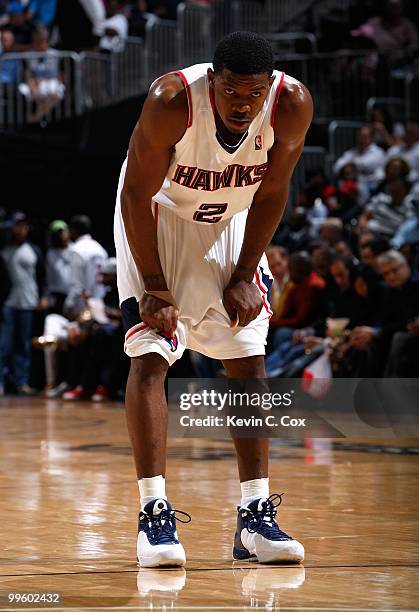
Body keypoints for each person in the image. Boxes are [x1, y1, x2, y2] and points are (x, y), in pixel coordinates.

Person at [114, 31, 312, 567]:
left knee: (247, 357)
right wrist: (154, 285)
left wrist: (246, 272)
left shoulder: (290, 103)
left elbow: (273, 191)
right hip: (159, 214)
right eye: (231, 92)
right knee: (152, 351)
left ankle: (254, 518)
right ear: (212, 82)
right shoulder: (172, 100)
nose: (242, 104)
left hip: (231, 217)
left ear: (269, 86)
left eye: (252, 94)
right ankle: (153, 514)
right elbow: (135, 192)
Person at [0, 212, 46, 396]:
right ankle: (2, 382)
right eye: (17, 226)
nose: (21, 229)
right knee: (4, 345)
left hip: (28, 303)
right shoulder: (4, 250)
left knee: (23, 346)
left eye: (23, 226)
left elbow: (42, 276)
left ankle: (22, 381)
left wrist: (43, 296)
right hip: (8, 303)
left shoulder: (34, 250)